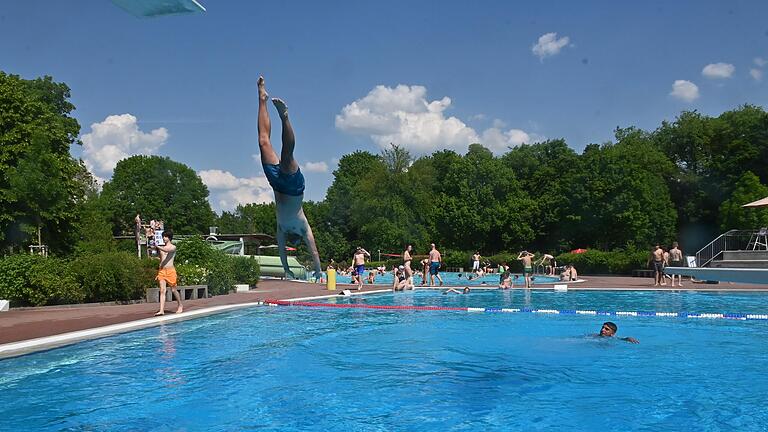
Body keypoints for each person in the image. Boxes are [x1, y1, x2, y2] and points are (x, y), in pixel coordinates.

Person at [257, 76, 322, 280]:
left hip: (276, 184)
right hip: (294, 188)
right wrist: (319, 270)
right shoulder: (304, 228)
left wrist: (286, 269)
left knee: (263, 141)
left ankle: (262, 99)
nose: (290, 243)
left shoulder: (281, 229)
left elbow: (282, 253)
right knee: (287, 156)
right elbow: (314, 251)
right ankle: (285, 117)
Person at [153, 229, 182, 316]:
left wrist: (157, 246)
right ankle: (161, 310)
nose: (164, 238)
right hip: (162, 271)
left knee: (173, 290)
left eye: (165, 237)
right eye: (163, 237)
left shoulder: (173, 247)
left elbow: (167, 250)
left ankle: (180, 304)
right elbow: (162, 259)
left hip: (170, 271)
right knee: (162, 290)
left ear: (169, 238)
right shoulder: (161, 248)